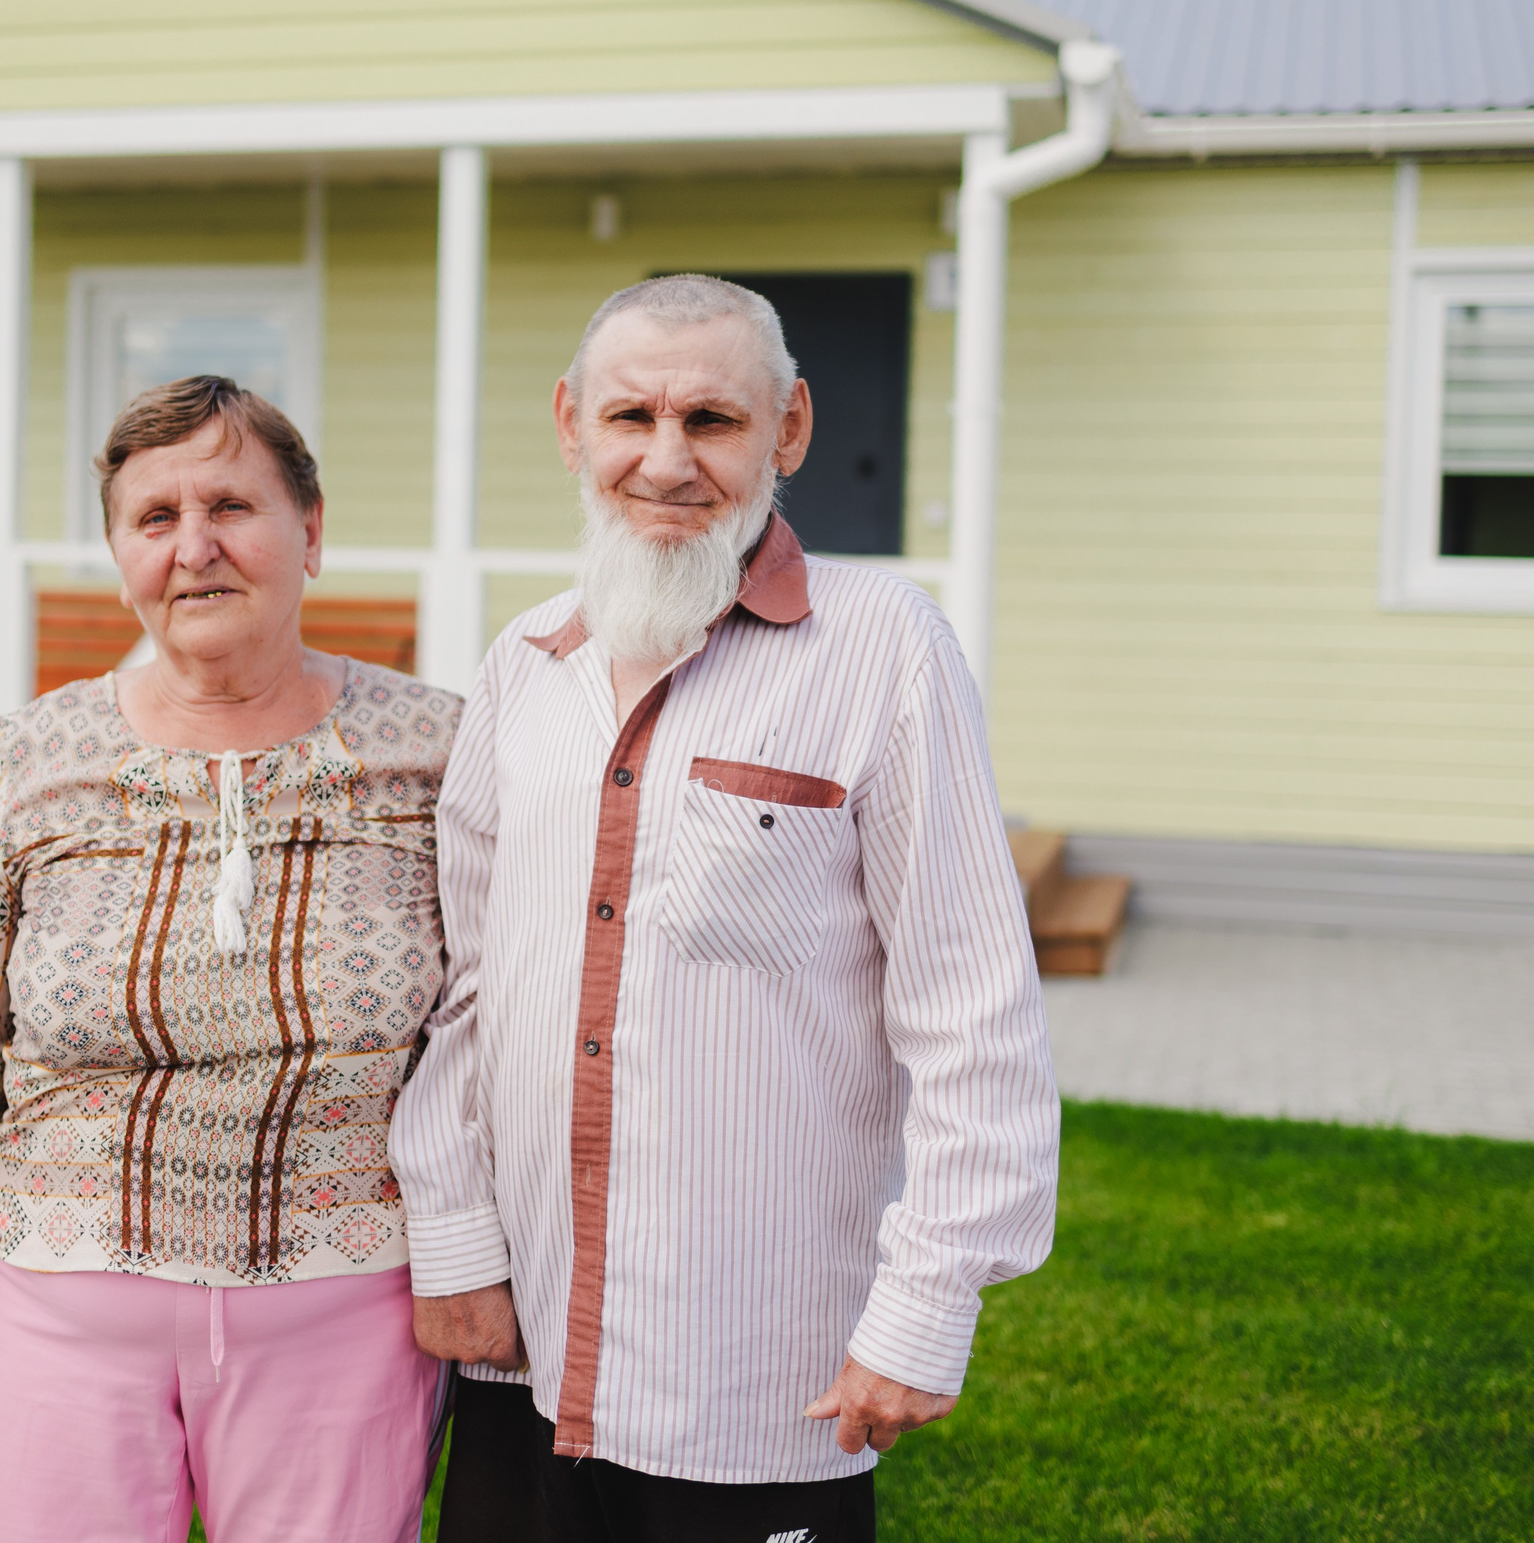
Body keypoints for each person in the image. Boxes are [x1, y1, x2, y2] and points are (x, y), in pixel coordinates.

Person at [391, 276, 1060, 1542]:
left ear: (788, 430)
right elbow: (462, 991)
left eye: (710, 419)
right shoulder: (522, 668)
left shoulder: (885, 649)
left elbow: (971, 1006)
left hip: (756, 1385)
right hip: (520, 1358)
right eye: (630, 416)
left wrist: (926, 1305)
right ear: (570, 425)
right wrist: (457, 1238)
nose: (665, 459)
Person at [0, 376, 460, 1542]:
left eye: (232, 506)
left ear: (309, 531)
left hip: (347, 1324)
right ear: (120, 553)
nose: (194, 547)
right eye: (154, 519)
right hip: (66, 1318)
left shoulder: (440, 753)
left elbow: (505, 1034)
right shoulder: (33, 757)